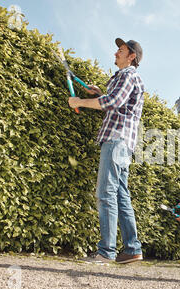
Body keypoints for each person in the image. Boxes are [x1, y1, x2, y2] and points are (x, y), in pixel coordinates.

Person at [68, 38, 144, 264]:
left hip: (115, 140)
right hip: (123, 142)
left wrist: (79, 102)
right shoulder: (125, 78)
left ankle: (106, 252)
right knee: (121, 195)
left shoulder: (128, 75)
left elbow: (113, 102)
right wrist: (100, 92)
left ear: (132, 56)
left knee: (105, 193)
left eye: (121, 50)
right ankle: (132, 249)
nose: (115, 53)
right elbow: (119, 103)